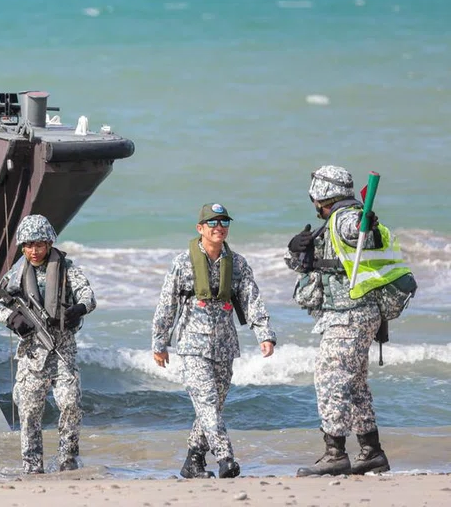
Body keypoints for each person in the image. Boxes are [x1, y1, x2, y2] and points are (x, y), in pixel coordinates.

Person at [286, 166, 415, 477]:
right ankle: (372, 453)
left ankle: (335, 454)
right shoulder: (334, 222)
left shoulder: (346, 218)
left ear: (320, 194)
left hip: (350, 314)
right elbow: (309, 263)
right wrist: (295, 247)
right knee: (355, 384)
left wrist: (364, 225)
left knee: (330, 379)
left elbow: (356, 232)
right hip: (356, 314)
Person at [151, 204, 276, 479]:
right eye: (213, 223)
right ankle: (225, 458)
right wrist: (159, 342)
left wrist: (264, 334)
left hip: (225, 345)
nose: (219, 227)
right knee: (207, 402)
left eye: (224, 222)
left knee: (213, 407)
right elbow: (167, 304)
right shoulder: (182, 263)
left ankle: (193, 461)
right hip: (192, 345)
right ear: (200, 228)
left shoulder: (237, 263)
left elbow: (251, 299)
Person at [0, 214, 96, 474]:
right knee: (29, 412)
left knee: (71, 404)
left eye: (38, 245)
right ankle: (32, 464)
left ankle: (68, 458)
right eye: (28, 245)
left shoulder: (67, 269)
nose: (33, 251)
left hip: (62, 350)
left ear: (49, 243)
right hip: (32, 354)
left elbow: (88, 296)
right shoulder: (15, 275)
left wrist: (79, 309)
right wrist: (11, 317)